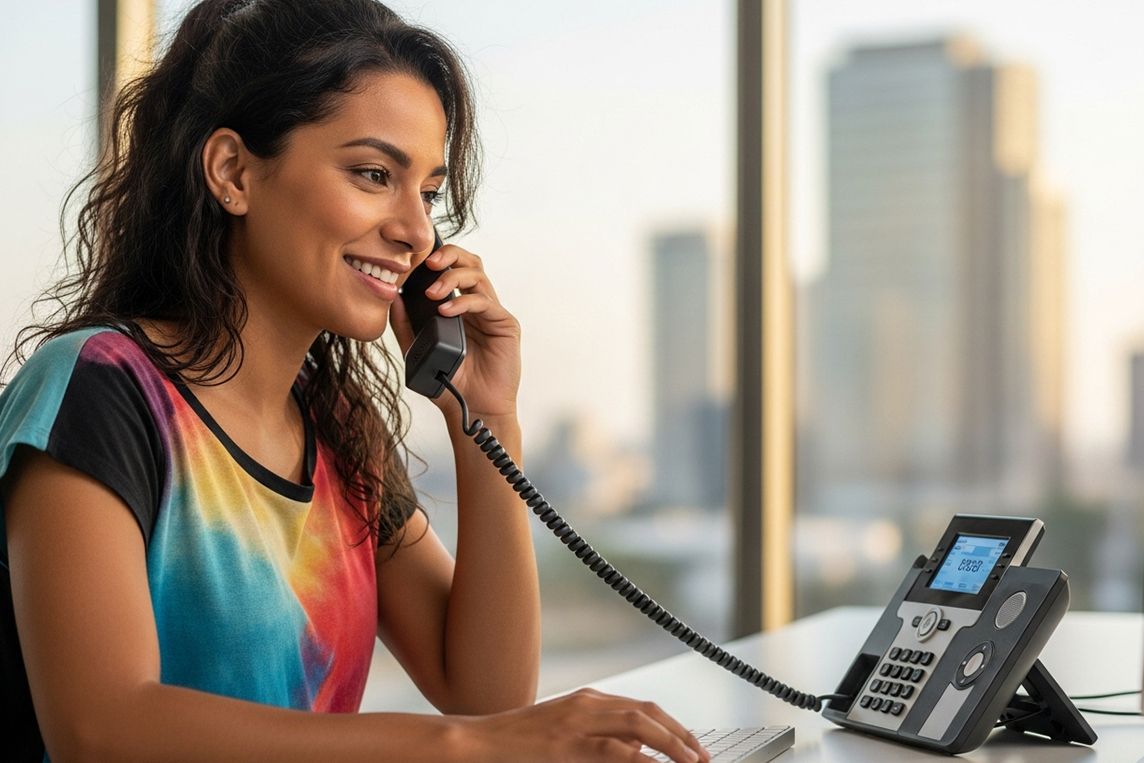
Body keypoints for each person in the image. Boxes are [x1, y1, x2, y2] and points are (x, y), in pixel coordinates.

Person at [0, 1, 711, 761]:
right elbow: (102, 728)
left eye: (428, 193)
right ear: (234, 172)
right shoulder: (98, 388)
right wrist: (458, 745)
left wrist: (486, 417)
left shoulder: (337, 426)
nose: (417, 230)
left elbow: (488, 694)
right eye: (374, 174)